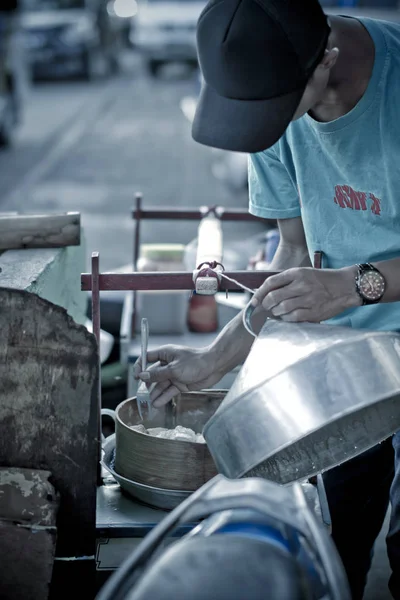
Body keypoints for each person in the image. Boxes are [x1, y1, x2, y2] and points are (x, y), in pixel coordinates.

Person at [134, 0, 400, 597]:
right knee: (335, 541)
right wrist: (210, 363)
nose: (269, 124)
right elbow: (293, 258)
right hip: (346, 361)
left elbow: (332, 281)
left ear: (325, 61)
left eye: (277, 108)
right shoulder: (270, 98)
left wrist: (354, 284)